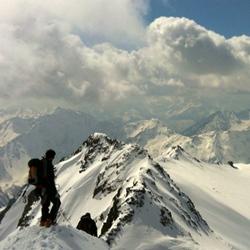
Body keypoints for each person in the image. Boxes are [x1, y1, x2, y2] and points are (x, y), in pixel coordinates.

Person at [38, 149, 61, 227]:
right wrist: (55, 192)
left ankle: (43, 221)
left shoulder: (42, 163)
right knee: (57, 202)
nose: (53, 158)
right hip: (48, 188)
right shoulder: (48, 164)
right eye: (53, 156)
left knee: (45, 204)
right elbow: (50, 180)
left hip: (41, 189)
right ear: (51, 156)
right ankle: (50, 220)